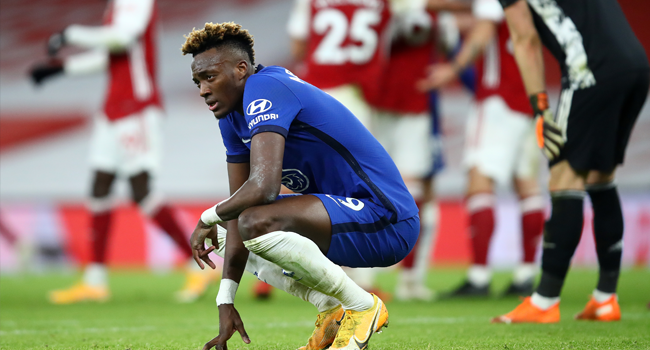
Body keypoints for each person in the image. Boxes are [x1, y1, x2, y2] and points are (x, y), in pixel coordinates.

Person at [182, 22, 419, 350]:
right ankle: (330, 310)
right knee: (227, 229)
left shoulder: (266, 87)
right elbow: (238, 209)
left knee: (248, 220)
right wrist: (226, 300)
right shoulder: (231, 120)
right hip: (345, 225)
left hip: (387, 220)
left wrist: (207, 216)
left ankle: (363, 306)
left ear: (241, 69)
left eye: (210, 77)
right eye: (197, 81)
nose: (203, 90)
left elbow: (263, 188)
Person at [29, 0, 217, 304]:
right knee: (99, 185)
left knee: (141, 189)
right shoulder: (116, 6)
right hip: (113, 110)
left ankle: (195, 264)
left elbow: (122, 37)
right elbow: (111, 55)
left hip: (137, 108)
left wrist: (70, 33)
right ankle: (95, 281)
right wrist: (63, 68)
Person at [490, 0, 649, 323]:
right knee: (601, 178)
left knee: (564, 177)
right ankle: (606, 298)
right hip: (635, 66)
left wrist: (540, 107)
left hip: (589, 70)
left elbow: (525, 39)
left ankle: (545, 300)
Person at [418, 0, 545, 297]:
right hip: (528, 95)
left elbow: (484, 29)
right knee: (527, 184)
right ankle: (526, 274)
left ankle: (479, 277)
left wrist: (453, 68)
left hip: (497, 97)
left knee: (479, 180)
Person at [284, 0, 394, 297]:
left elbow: (297, 45)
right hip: (355, 99)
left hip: (312, 95)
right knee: (354, 189)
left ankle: (284, 264)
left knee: (300, 180)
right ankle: (360, 280)